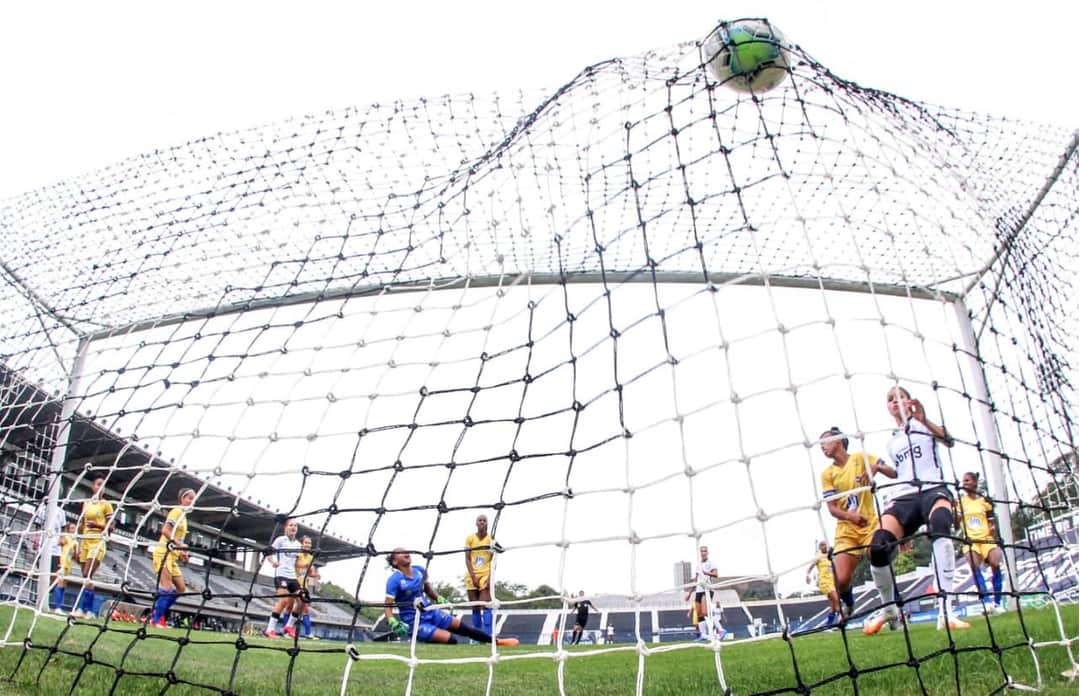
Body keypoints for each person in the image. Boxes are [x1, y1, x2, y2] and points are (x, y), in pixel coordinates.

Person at [863, 387, 970, 635]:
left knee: (941, 524)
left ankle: (945, 609)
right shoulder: (892, 441)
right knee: (878, 546)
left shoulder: (924, 425)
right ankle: (890, 608)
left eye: (899, 396)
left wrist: (923, 418)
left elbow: (949, 441)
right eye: (889, 399)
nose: (894, 402)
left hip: (933, 489)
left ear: (909, 401)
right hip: (905, 497)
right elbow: (901, 475)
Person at [819, 426, 896, 616]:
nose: (822, 448)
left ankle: (891, 608)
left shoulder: (861, 458)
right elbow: (832, 508)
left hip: (870, 525)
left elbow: (893, 473)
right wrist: (851, 516)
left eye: (825, 443)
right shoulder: (827, 474)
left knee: (877, 555)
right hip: (847, 530)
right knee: (842, 580)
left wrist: (878, 468)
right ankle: (850, 604)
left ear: (838, 441)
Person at [384, 547, 519, 646]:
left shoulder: (420, 570)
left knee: (464, 628)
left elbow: (428, 590)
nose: (406, 552)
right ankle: (421, 636)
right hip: (414, 621)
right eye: (400, 552)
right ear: (395, 562)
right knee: (451, 640)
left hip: (431, 611)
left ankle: (497, 642)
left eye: (406, 550)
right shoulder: (394, 580)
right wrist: (392, 621)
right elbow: (388, 604)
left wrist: (438, 598)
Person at [957, 471, 1006, 614]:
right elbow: (955, 524)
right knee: (973, 566)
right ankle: (986, 602)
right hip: (970, 540)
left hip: (986, 539)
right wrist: (955, 514)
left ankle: (998, 603)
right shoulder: (960, 503)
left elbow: (991, 523)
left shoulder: (984, 501)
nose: (964, 483)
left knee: (996, 564)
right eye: (963, 481)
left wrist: (993, 529)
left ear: (974, 483)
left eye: (967, 480)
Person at [150, 488, 195, 629]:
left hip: (173, 556)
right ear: (182, 499)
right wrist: (180, 544)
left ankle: (159, 614)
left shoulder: (184, 517)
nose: (191, 502)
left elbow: (178, 538)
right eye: (189, 498)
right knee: (167, 588)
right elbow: (165, 530)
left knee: (181, 588)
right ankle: (156, 620)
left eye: (193, 499)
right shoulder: (176, 511)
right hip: (163, 553)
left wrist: (182, 552)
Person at [74, 476, 114, 618]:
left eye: (103, 485)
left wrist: (98, 525)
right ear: (93, 487)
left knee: (87, 574)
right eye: (98, 484)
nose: (100, 487)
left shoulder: (106, 505)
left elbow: (112, 527)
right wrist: (78, 544)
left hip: (97, 541)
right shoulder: (86, 503)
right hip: (85, 541)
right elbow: (82, 524)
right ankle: (88, 611)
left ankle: (83, 609)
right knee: (86, 577)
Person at [263, 519, 303, 639]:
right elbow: (268, 552)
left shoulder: (298, 544)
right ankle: (270, 630)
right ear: (286, 528)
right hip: (281, 575)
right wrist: (272, 562)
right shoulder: (280, 540)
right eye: (291, 525)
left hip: (292, 576)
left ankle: (289, 626)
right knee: (284, 601)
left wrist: (307, 566)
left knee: (302, 600)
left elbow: (296, 562)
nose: (293, 527)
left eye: (295, 526)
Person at [30, 500, 66, 613]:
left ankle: (49, 595)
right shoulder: (42, 509)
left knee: (55, 575)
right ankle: (39, 599)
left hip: (55, 548)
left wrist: (62, 538)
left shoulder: (61, 511)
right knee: (41, 573)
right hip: (42, 545)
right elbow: (37, 525)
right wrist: (35, 539)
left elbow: (63, 527)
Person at [464, 514, 497, 635]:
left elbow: (494, 560)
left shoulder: (491, 539)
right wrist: (472, 576)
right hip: (471, 574)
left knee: (486, 605)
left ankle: (488, 636)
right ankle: (477, 638)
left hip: (485, 574)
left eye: (484, 520)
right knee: (475, 607)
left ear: (487, 523)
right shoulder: (470, 538)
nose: (482, 522)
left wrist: (489, 577)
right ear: (476, 523)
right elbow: (467, 558)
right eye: (480, 520)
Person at [683, 545, 718, 640]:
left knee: (705, 612)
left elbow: (716, 574)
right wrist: (689, 593)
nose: (703, 553)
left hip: (706, 589)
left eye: (705, 551)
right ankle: (704, 635)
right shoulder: (698, 565)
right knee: (699, 613)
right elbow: (696, 580)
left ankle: (720, 629)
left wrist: (707, 573)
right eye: (702, 551)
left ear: (707, 552)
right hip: (698, 590)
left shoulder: (711, 563)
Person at [806, 541, 841, 627]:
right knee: (837, 601)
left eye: (825, 545)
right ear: (820, 547)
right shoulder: (818, 556)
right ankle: (842, 621)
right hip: (824, 583)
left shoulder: (830, 556)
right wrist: (807, 575)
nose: (823, 547)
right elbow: (811, 566)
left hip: (832, 582)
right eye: (821, 545)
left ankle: (828, 625)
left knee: (833, 605)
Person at [295, 535, 321, 639]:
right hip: (294, 583)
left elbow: (309, 573)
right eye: (306, 542)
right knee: (290, 607)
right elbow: (295, 564)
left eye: (309, 543)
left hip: (304, 586)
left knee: (304, 608)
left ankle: (307, 633)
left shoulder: (310, 557)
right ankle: (305, 633)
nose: (308, 545)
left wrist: (316, 575)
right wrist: (303, 565)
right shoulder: (297, 554)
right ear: (301, 544)